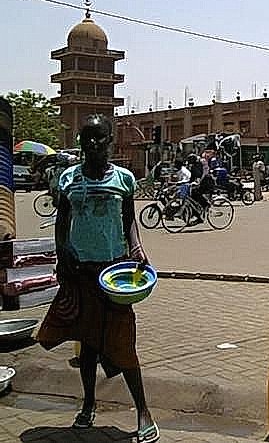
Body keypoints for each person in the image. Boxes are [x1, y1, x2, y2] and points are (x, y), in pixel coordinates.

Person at [36, 115, 159, 442]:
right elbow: (62, 222)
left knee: (123, 345)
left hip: (115, 272)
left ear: (109, 141)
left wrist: (137, 247)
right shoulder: (67, 180)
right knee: (87, 346)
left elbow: (129, 218)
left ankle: (143, 411)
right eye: (87, 138)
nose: (93, 144)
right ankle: (88, 404)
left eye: (99, 138)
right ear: (80, 142)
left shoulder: (123, 179)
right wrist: (63, 257)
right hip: (80, 272)